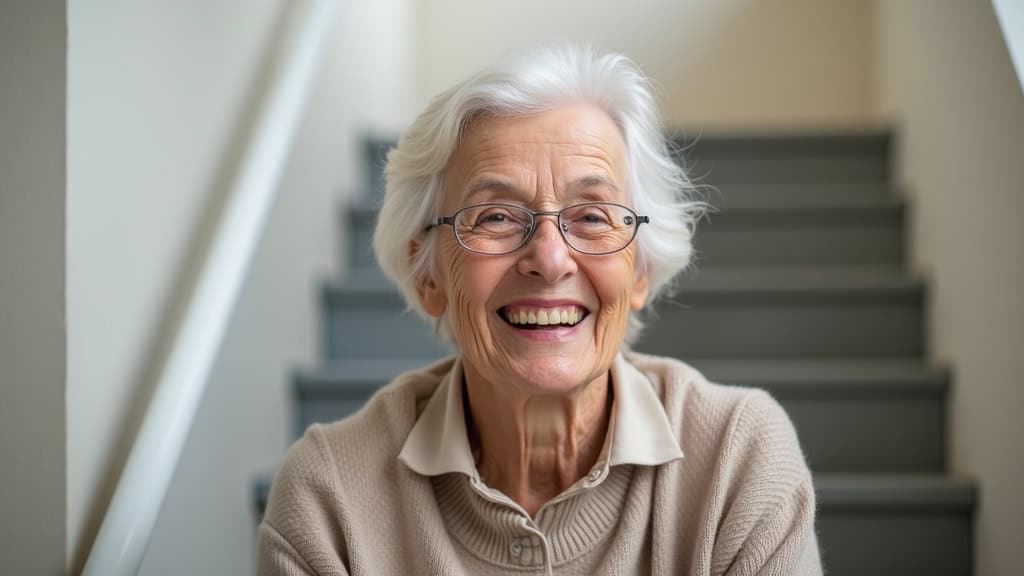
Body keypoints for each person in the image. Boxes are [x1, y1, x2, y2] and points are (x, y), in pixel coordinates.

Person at [257, 44, 822, 575]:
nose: (550, 260)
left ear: (641, 269)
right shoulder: (328, 497)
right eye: (496, 217)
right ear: (429, 275)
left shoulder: (737, 457)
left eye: (593, 217)